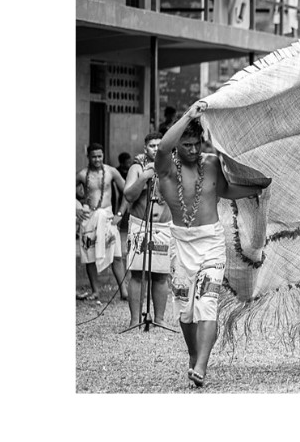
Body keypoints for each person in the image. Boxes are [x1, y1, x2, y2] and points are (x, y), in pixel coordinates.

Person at [155, 102, 267, 387]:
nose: (194, 150)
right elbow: (162, 149)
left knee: (207, 302)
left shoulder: (212, 164)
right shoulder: (167, 170)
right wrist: (187, 116)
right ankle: (195, 356)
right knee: (185, 310)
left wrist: (255, 189)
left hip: (212, 243)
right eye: (188, 145)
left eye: (197, 144)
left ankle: (201, 367)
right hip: (180, 244)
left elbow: (225, 190)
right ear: (178, 145)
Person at [117, 132, 172, 327]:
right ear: (145, 148)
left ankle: (159, 319)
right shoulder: (136, 167)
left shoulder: (171, 166)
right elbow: (129, 195)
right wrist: (145, 177)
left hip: (164, 226)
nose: (156, 149)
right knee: (138, 272)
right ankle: (134, 320)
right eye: (152, 145)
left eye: (159, 145)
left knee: (161, 274)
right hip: (140, 224)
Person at [78, 143, 128, 301]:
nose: (97, 159)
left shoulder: (111, 171)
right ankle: (95, 291)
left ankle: (124, 292)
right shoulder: (82, 174)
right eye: (93, 156)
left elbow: (127, 192)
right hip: (89, 218)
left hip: (108, 217)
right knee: (89, 256)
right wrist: (77, 209)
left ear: (103, 155)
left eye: (99, 156)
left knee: (117, 255)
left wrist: (120, 213)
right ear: (88, 157)